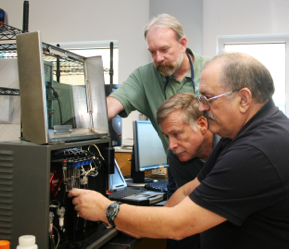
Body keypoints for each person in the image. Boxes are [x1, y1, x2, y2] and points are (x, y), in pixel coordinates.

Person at [68, 52, 289, 249]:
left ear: (243, 99)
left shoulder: (255, 151)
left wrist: (108, 210)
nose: (201, 107)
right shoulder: (239, 136)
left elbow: (179, 225)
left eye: (207, 98)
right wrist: (141, 222)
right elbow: (187, 191)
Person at [107, 13, 210, 229]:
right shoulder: (144, 77)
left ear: (182, 44)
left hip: (217, 163)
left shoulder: (212, 71)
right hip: (179, 166)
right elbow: (112, 105)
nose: (158, 59)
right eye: (152, 52)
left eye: (164, 50)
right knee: (176, 232)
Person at [157, 92, 220, 249]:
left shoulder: (230, 148)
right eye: (167, 137)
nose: (171, 145)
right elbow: (188, 201)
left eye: (176, 134)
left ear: (202, 125)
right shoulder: (175, 156)